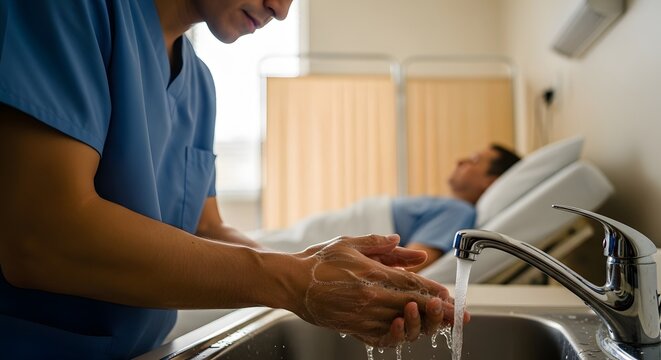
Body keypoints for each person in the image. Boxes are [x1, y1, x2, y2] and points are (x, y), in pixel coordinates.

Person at [0, 0, 463, 358]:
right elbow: (43, 237)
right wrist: (292, 281)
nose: (281, 10)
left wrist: (322, 272)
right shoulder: (71, 10)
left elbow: (207, 228)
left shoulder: (199, 84)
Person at [257, 144, 521, 272]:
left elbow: (414, 261)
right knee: (261, 243)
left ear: (491, 182)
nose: (461, 160)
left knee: (261, 250)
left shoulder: (459, 212)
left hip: (341, 234)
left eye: (474, 160)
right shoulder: (450, 207)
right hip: (333, 227)